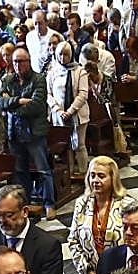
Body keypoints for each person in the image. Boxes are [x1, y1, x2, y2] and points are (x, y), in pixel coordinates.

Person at [0, 47, 55, 220]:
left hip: (34, 133)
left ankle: (49, 204)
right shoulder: (8, 80)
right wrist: (19, 101)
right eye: (15, 61)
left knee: (43, 170)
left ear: (28, 62)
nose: (17, 65)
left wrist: (11, 106)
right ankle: (25, 204)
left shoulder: (38, 79)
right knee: (20, 172)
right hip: (15, 133)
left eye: (21, 61)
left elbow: (36, 106)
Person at [69, 155, 135, 274]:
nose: (95, 180)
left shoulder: (127, 205)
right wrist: (88, 271)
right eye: (92, 175)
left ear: (113, 178)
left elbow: (134, 242)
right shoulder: (81, 204)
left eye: (101, 176)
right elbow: (73, 241)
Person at [46, 41, 90, 178]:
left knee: (79, 145)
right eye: (60, 54)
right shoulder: (52, 72)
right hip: (59, 114)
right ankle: (69, 174)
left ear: (71, 55)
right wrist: (58, 110)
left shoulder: (80, 71)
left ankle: (83, 172)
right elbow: (48, 94)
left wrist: (70, 111)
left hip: (78, 114)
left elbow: (83, 94)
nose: (62, 58)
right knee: (66, 146)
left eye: (66, 55)